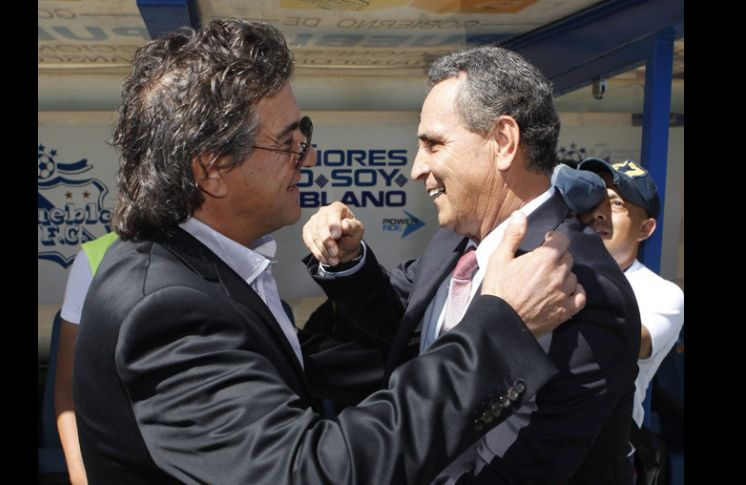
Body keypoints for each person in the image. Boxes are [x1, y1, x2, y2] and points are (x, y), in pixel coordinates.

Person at [72, 19, 586, 484]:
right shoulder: (166, 308)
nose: (309, 156)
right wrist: (501, 332)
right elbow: (306, 471)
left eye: (306, 134)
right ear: (211, 168)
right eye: (289, 141)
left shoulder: (197, 270)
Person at [302, 45, 641, 484]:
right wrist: (349, 261)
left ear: (503, 142)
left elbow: (509, 470)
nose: (416, 168)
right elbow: (400, 323)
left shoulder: (578, 287)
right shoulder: (455, 241)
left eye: (433, 144)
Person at [572, 158, 685, 482]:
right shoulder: (551, 266)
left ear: (645, 228)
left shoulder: (663, 294)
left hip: (599, 461)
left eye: (616, 203)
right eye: (594, 199)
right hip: (531, 448)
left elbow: (627, 340)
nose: (599, 211)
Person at [54, 232, 117, 485]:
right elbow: (68, 382)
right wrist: (80, 473)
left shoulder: (238, 250)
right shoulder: (96, 256)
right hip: (115, 459)